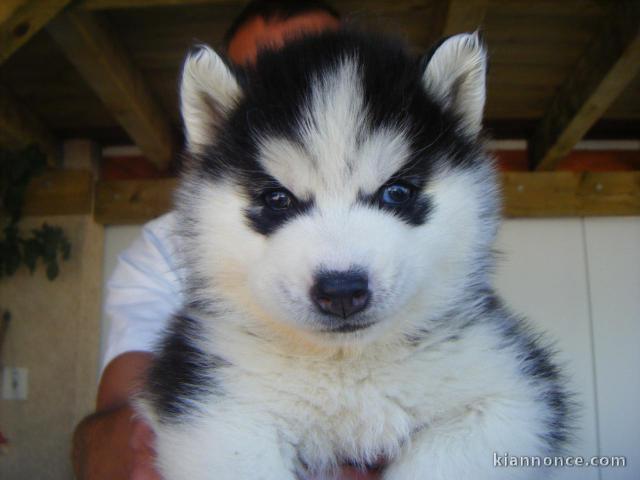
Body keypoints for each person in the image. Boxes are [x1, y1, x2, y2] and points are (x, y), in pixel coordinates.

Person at [73, 2, 380, 479]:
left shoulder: (431, 235)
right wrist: (144, 442)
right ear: (217, 108)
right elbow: (107, 434)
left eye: (317, 65)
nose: (292, 98)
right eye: (262, 82)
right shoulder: (162, 248)